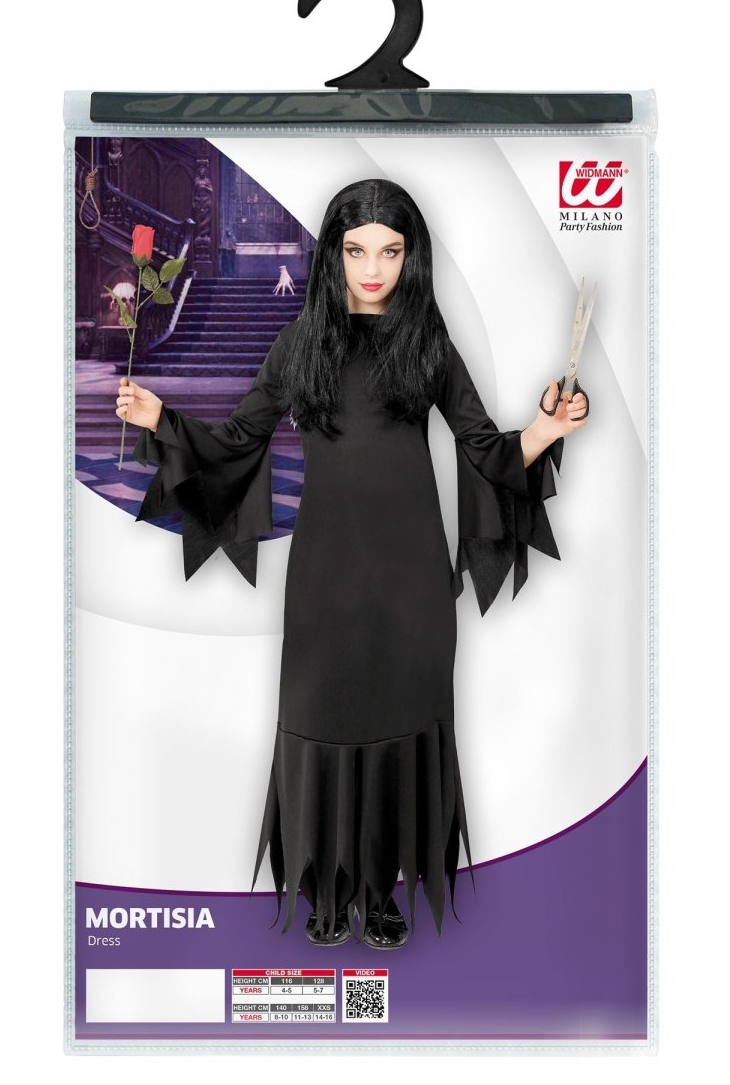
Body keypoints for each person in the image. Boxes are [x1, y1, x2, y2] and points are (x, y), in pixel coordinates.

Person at [116, 179, 589, 951]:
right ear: (334, 254)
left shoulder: (428, 343)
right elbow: (236, 442)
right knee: (323, 720)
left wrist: (544, 430)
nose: (373, 269)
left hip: (412, 584)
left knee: (400, 726)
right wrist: (160, 417)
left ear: (412, 256)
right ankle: (327, 887)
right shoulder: (300, 344)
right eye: (357, 250)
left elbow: (484, 449)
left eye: (391, 251)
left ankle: (378, 893)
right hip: (325, 578)